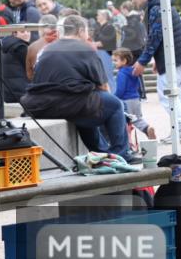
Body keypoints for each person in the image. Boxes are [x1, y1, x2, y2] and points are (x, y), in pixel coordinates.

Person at [20, 15, 140, 163]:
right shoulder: (85, 48)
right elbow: (103, 86)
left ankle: (100, 152)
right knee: (114, 104)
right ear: (81, 31)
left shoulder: (47, 49)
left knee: (88, 106)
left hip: (41, 104)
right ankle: (121, 154)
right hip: (71, 102)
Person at [128, 0, 181, 143]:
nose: (133, 1)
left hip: (176, 58)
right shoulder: (158, 6)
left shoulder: (156, 8)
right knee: (174, 93)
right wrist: (158, 61)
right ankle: (180, 128)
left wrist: (143, 61)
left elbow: (155, 37)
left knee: (167, 93)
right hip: (178, 57)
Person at [112, 47, 156, 139]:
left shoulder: (122, 73)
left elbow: (120, 90)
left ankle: (127, 141)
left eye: (115, 60)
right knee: (137, 119)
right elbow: (138, 85)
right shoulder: (133, 71)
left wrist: (114, 97)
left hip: (126, 101)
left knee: (124, 121)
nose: (114, 63)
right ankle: (147, 128)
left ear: (124, 61)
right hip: (135, 99)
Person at [0, 28, 30, 103]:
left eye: (28, 31)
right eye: (22, 32)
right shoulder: (21, 47)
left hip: (6, 93)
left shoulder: (3, 45)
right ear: (14, 34)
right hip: (21, 93)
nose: (26, 34)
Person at [25, 14, 59, 80]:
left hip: (40, 86)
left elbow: (29, 75)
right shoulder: (64, 43)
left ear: (41, 28)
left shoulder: (32, 47)